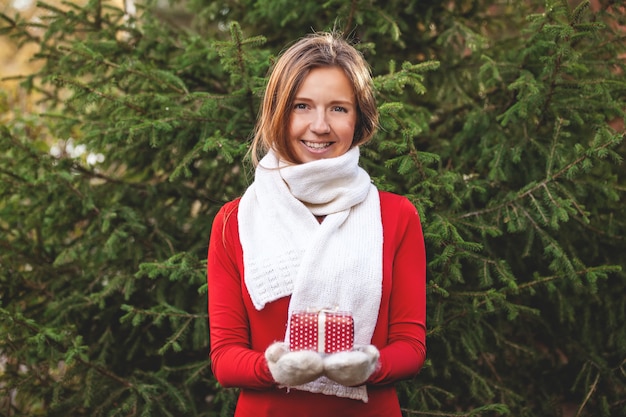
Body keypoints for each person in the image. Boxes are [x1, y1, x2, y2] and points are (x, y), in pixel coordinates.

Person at [207, 31, 426, 417]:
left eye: (338, 108)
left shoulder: (396, 216)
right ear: (278, 112)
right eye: (302, 106)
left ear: (359, 118)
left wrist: (369, 365)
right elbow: (225, 359)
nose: (320, 125)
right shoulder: (234, 221)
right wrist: (273, 367)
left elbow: (410, 345)